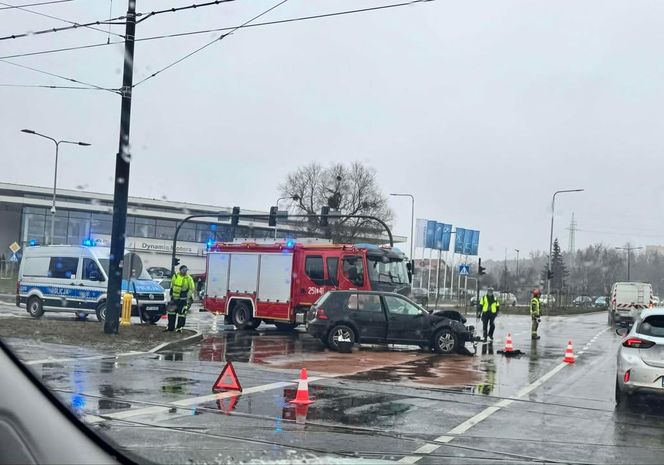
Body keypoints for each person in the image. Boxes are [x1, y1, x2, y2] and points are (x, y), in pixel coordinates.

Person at [167, 265, 196, 332]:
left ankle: (179, 328)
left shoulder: (188, 278)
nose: (185, 271)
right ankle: (170, 328)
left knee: (181, 314)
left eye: (186, 270)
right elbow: (172, 285)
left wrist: (187, 296)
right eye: (184, 270)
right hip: (174, 299)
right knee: (171, 313)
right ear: (180, 270)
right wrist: (171, 293)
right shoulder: (175, 276)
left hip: (182, 299)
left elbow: (191, 288)